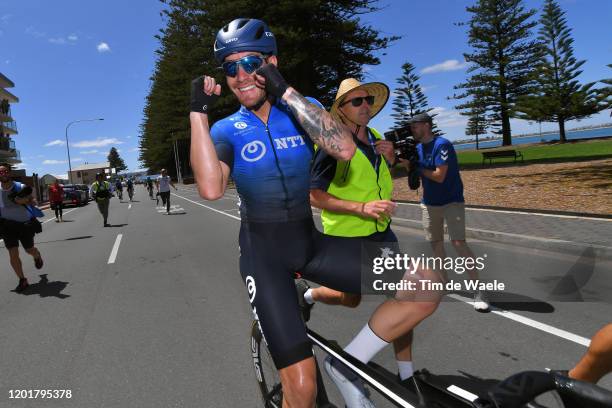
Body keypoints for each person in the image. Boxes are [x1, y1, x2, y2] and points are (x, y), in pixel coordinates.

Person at [190, 18, 441, 408]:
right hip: (264, 258)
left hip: (311, 246)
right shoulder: (227, 130)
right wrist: (197, 113)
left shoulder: (302, 111)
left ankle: (350, 363)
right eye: (230, 67)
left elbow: (342, 149)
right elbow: (209, 188)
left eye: (251, 63)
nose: (240, 75)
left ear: (270, 62)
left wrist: (284, 90)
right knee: (303, 390)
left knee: (424, 284)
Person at [304, 77, 420, 382]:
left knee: (404, 298)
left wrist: (391, 158)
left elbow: (376, 179)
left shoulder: (378, 137)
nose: (365, 105)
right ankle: (310, 296)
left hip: (381, 233)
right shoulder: (334, 144)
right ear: (342, 110)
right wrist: (361, 208)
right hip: (346, 237)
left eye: (368, 99)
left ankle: (407, 376)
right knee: (352, 299)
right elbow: (314, 195)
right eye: (357, 101)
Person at [407, 112, 490, 312]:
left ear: (426, 125)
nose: (412, 130)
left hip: (452, 201)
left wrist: (418, 169)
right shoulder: (417, 148)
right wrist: (406, 164)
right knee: (435, 244)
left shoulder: (442, 145)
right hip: (429, 203)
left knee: (458, 243)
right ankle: (444, 283)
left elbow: (439, 176)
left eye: (415, 126)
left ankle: (478, 290)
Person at [0, 164, 44, 292]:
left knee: (29, 250)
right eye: (1, 172)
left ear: (9, 173)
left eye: (5, 171)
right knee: (13, 253)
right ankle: (22, 280)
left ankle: (37, 255)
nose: (3, 174)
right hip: (7, 226)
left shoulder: (20, 187)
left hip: (24, 225)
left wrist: (22, 200)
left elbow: (34, 202)